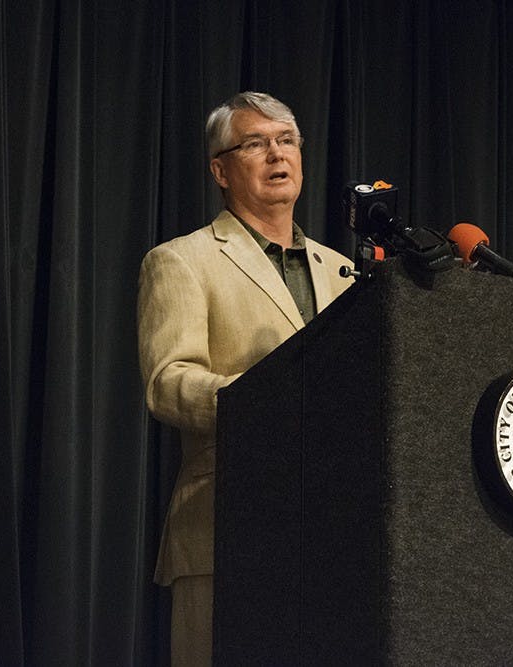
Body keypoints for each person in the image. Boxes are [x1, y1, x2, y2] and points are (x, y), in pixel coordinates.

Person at [136, 91, 353, 665]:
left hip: (336, 535)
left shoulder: (349, 272)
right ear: (220, 170)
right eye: (255, 143)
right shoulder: (183, 260)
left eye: (286, 141)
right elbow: (168, 380)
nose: (276, 154)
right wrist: (263, 400)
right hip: (226, 526)